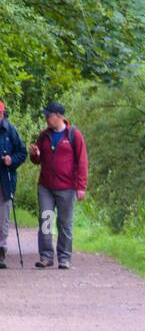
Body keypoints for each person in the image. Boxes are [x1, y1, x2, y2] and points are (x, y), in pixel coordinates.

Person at [27, 101, 88, 270]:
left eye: (49, 115)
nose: (46, 118)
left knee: (64, 223)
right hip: (45, 186)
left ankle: (64, 258)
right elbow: (37, 160)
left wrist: (81, 186)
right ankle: (46, 257)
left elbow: (82, 162)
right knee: (46, 219)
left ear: (60, 116)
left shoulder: (74, 135)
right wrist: (34, 154)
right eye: (46, 115)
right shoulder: (43, 135)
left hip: (67, 187)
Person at [0, 100, 28, 269]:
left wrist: (12, 160)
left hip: (5, 180)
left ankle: (1, 253)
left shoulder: (10, 131)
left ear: (1, 114)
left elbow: (22, 152)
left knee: (3, 218)